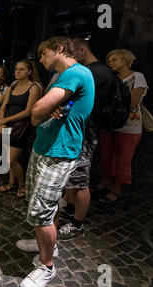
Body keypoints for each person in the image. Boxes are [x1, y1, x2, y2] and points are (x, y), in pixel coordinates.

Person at [16, 36, 95, 287]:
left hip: (58, 153)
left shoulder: (75, 73)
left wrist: (42, 113)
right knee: (44, 206)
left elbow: (37, 110)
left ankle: (47, 266)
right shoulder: (64, 76)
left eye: (43, 53)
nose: (40, 59)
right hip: (45, 148)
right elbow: (44, 113)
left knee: (41, 211)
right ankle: (48, 245)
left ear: (59, 49)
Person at [56, 38, 116, 240]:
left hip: (86, 133)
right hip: (82, 132)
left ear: (83, 50)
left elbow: (82, 103)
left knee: (81, 181)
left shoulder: (96, 72)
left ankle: (77, 224)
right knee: (74, 179)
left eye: (73, 53)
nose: (72, 58)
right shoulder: (92, 71)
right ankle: (72, 211)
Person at [94, 49, 148, 204]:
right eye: (109, 60)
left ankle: (116, 188)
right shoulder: (112, 78)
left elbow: (134, 100)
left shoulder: (137, 77)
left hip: (129, 126)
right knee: (106, 155)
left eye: (114, 59)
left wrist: (110, 100)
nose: (110, 62)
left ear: (125, 60)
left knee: (123, 159)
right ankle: (106, 181)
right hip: (109, 123)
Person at [0, 60, 42, 198]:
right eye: (16, 69)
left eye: (22, 69)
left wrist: (6, 120)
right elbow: (4, 105)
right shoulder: (13, 85)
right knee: (7, 158)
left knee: (12, 159)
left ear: (29, 72)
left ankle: (22, 185)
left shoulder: (34, 87)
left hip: (22, 128)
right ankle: (12, 182)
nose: (18, 71)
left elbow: (28, 111)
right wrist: (1, 121)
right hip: (8, 125)